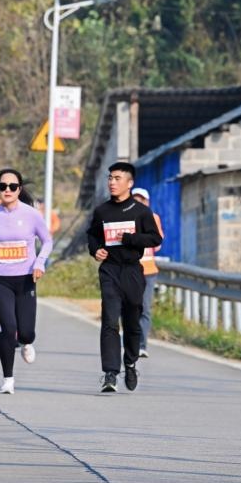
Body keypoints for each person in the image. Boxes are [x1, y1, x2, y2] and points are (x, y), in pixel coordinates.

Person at [87, 162, 163, 394]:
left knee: (132, 320)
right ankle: (110, 373)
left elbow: (155, 239)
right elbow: (92, 235)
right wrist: (95, 250)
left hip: (132, 271)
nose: (112, 182)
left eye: (117, 178)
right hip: (109, 270)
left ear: (129, 183)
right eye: (110, 178)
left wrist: (131, 239)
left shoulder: (141, 212)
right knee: (110, 321)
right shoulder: (102, 211)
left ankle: (129, 362)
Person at [0, 169, 52, 395]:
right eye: (3, 186)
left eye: (12, 186)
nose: (7, 190)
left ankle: (27, 342)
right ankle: (8, 378)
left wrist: (39, 263)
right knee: (8, 329)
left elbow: (47, 241)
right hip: (0, 278)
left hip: (26, 277)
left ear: (19, 189)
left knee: (25, 331)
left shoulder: (32, 214)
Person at [132, 187, 164, 358]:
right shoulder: (123, 219)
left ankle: (142, 345)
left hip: (148, 271)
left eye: (141, 201)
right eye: (135, 200)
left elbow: (158, 244)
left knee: (145, 308)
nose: (138, 203)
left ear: (147, 203)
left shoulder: (154, 219)